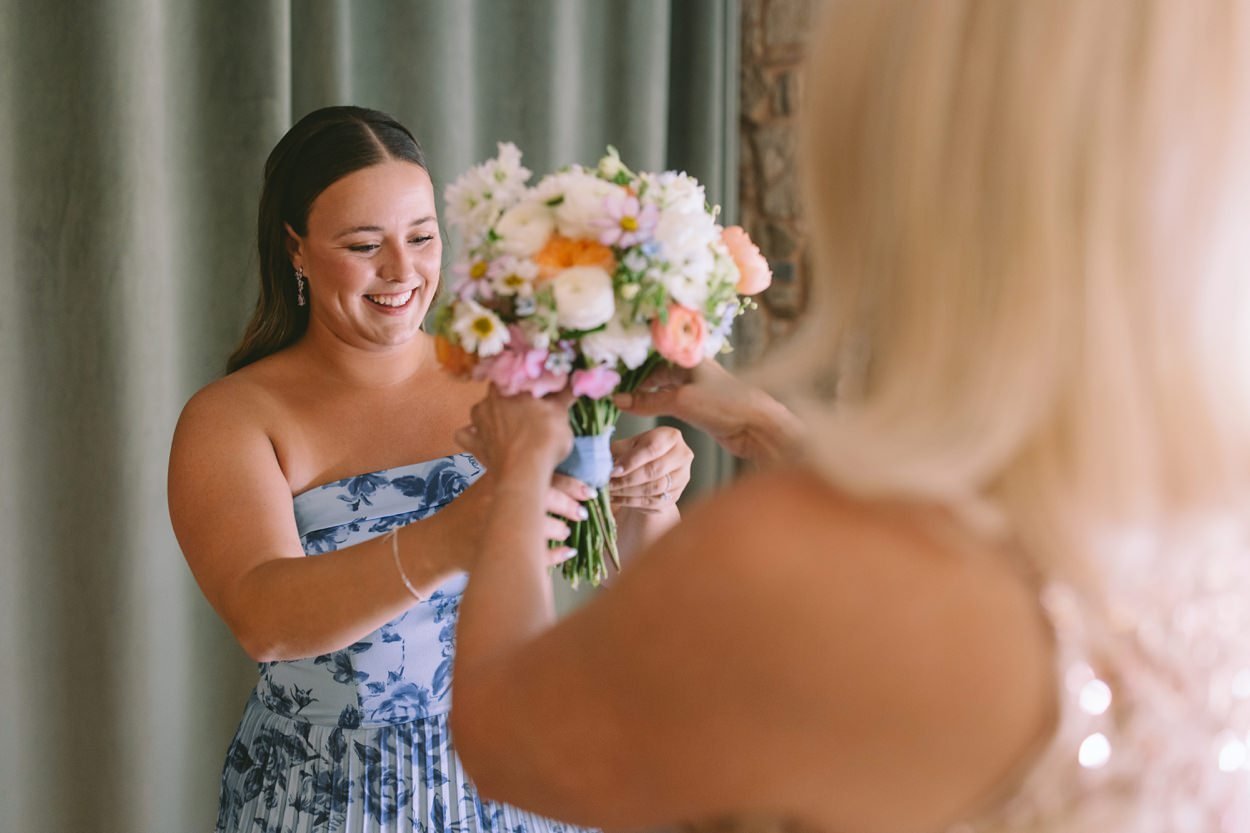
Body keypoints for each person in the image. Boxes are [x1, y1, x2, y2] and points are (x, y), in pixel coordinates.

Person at [445, 2, 1250, 831]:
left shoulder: (790, 558)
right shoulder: (1211, 520)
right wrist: (773, 433)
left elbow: (504, 730)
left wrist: (519, 473)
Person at [167, 105, 694, 833]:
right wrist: (456, 534)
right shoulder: (233, 418)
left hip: (519, 777)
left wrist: (648, 497)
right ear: (295, 247)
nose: (403, 271)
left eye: (421, 237)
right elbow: (266, 619)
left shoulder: (510, 373)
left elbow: (629, 580)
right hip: (330, 795)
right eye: (363, 244)